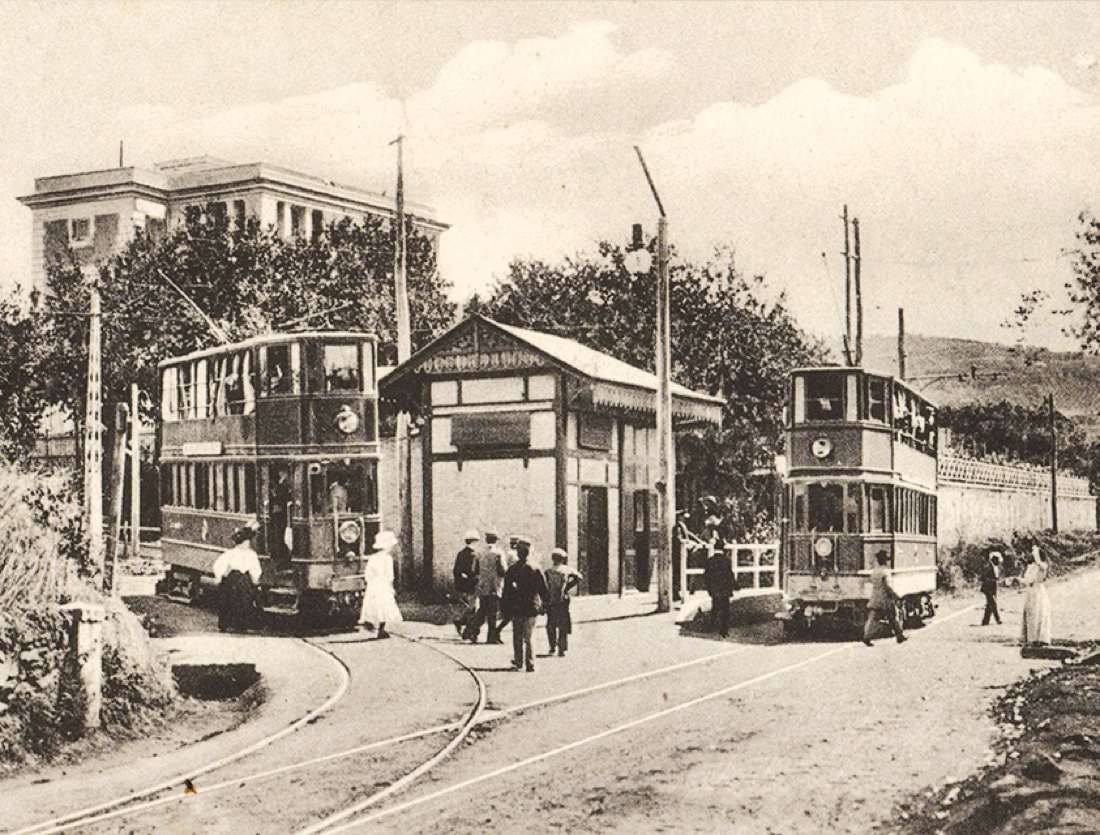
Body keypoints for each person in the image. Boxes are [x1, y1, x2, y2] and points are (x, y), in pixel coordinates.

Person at [500, 536, 549, 672]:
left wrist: (505, 607)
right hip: (531, 606)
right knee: (529, 636)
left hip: (516, 607)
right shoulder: (535, 568)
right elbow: (543, 589)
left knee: (517, 635)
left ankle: (519, 662)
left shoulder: (512, 570)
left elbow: (506, 591)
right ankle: (530, 663)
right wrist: (544, 604)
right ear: (530, 552)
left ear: (518, 553)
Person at [213, 526, 263, 633]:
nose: (248, 544)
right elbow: (219, 565)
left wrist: (255, 579)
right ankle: (228, 624)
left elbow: (255, 568)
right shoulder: (230, 553)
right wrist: (221, 576)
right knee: (230, 600)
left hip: (244, 578)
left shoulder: (251, 554)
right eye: (246, 542)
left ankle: (241, 624)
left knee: (245, 601)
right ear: (241, 543)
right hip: (233, 579)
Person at [358, 530, 403, 639]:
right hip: (383, 584)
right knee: (384, 606)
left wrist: (370, 583)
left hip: (374, 584)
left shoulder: (373, 558)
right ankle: (381, 630)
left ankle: (372, 625)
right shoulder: (387, 558)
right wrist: (391, 586)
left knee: (374, 606)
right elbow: (389, 575)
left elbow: (368, 574)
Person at [862, 550, 907, 646]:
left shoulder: (874, 571)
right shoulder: (885, 572)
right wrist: (896, 596)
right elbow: (888, 586)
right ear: (885, 561)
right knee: (893, 617)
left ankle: (867, 636)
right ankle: (899, 636)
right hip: (885, 599)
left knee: (873, 618)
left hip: (875, 597)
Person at [470, 531, 507, 643]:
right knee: (493, 612)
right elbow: (503, 570)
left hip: (482, 585)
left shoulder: (479, 553)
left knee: (482, 610)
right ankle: (491, 637)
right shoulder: (498, 553)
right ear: (495, 540)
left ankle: (473, 630)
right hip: (494, 586)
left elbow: (474, 569)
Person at [545, 548, 582, 656]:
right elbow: (579, 577)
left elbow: (545, 585)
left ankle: (552, 647)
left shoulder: (548, 571)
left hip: (551, 599)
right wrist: (568, 587)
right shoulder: (566, 569)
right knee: (563, 623)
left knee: (551, 623)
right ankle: (562, 648)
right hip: (562, 599)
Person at [703, 542, 737, 637]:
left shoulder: (709, 561)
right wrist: (735, 585)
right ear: (723, 549)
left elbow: (706, 576)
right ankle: (724, 630)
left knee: (715, 607)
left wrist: (709, 588)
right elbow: (730, 575)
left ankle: (711, 627)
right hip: (724, 588)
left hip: (714, 588)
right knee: (725, 609)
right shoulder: (726, 560)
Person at [1021, 544, 1052, 646]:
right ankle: (1031, 638)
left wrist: (1037, 556)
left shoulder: (1042, 565)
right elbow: (1027, 580)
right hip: (1031, 591)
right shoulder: (1031, 567)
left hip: (1038, 592)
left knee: (1038, 613)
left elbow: (1042, 567)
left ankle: (1039, 638)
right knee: (1030, 614)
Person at [452, 530, 480, 640]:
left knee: (470, 608)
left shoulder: (460, 554)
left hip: (462, 585)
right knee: (473, 609)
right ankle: (469, 631)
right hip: (472, 585)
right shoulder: (474, 555)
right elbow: (474, 571)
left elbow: (456, 571)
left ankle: (462, 623)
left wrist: (459, 582)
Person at [979, 551, 1003, 626]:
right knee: (993, 604)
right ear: (994, 559)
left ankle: (985, 621)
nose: (999, 562)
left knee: (990, 605)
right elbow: (984, 578)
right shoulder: (988, 567)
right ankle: (998, 620)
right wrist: (993, 581)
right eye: (998, 560)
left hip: (992, 589)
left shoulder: (994, 567)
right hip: (987, 588)